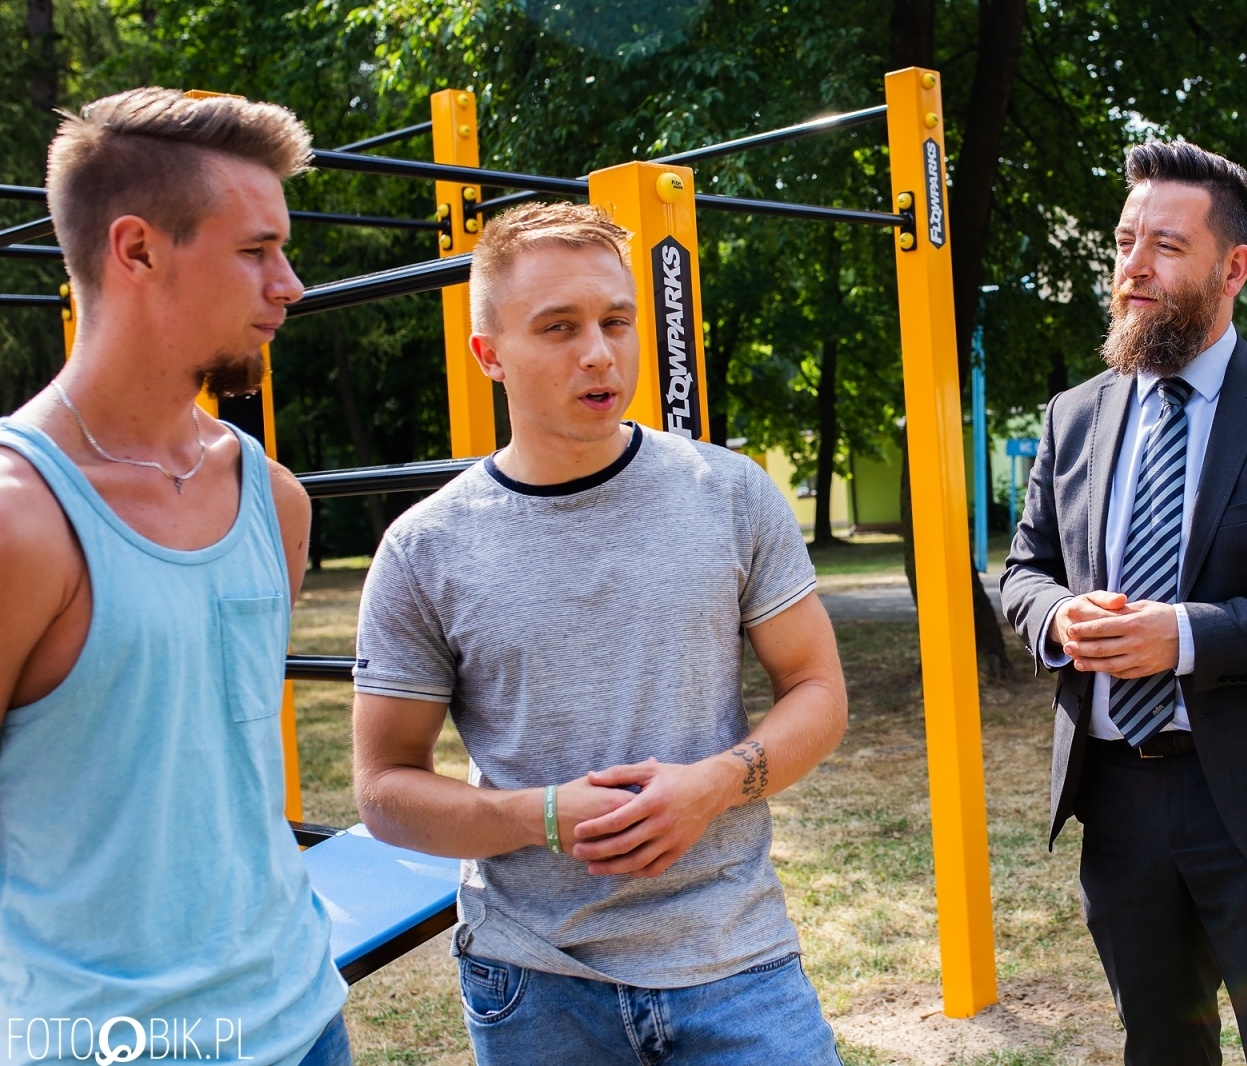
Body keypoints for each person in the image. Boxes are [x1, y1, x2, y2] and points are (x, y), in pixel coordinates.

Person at [350, 201, 849, 1065]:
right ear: (489, 354)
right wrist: (539, 816)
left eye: (617, 321)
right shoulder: (426, 547)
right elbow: (385, 788)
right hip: (534, 982)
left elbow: (818, 691)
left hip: (736, 962)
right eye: (558, 327)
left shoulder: (729, 495)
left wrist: (714, 785)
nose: (599, 352)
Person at [1002, 141, 1247, 1065]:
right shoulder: (1074, 414)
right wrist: (1059, 618)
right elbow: (1024, 570)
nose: (1133, 268)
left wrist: (1184, 637)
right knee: (1162, 1045)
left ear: (1234, 269)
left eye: (1166, 248)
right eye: (1124, 240)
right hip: (1118, 797)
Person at [0, 90, 348, 1063]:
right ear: (138, 249)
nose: (290, 284)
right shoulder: (18, 516)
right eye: (255, 250)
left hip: (304, 1016)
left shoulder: (274, 499)